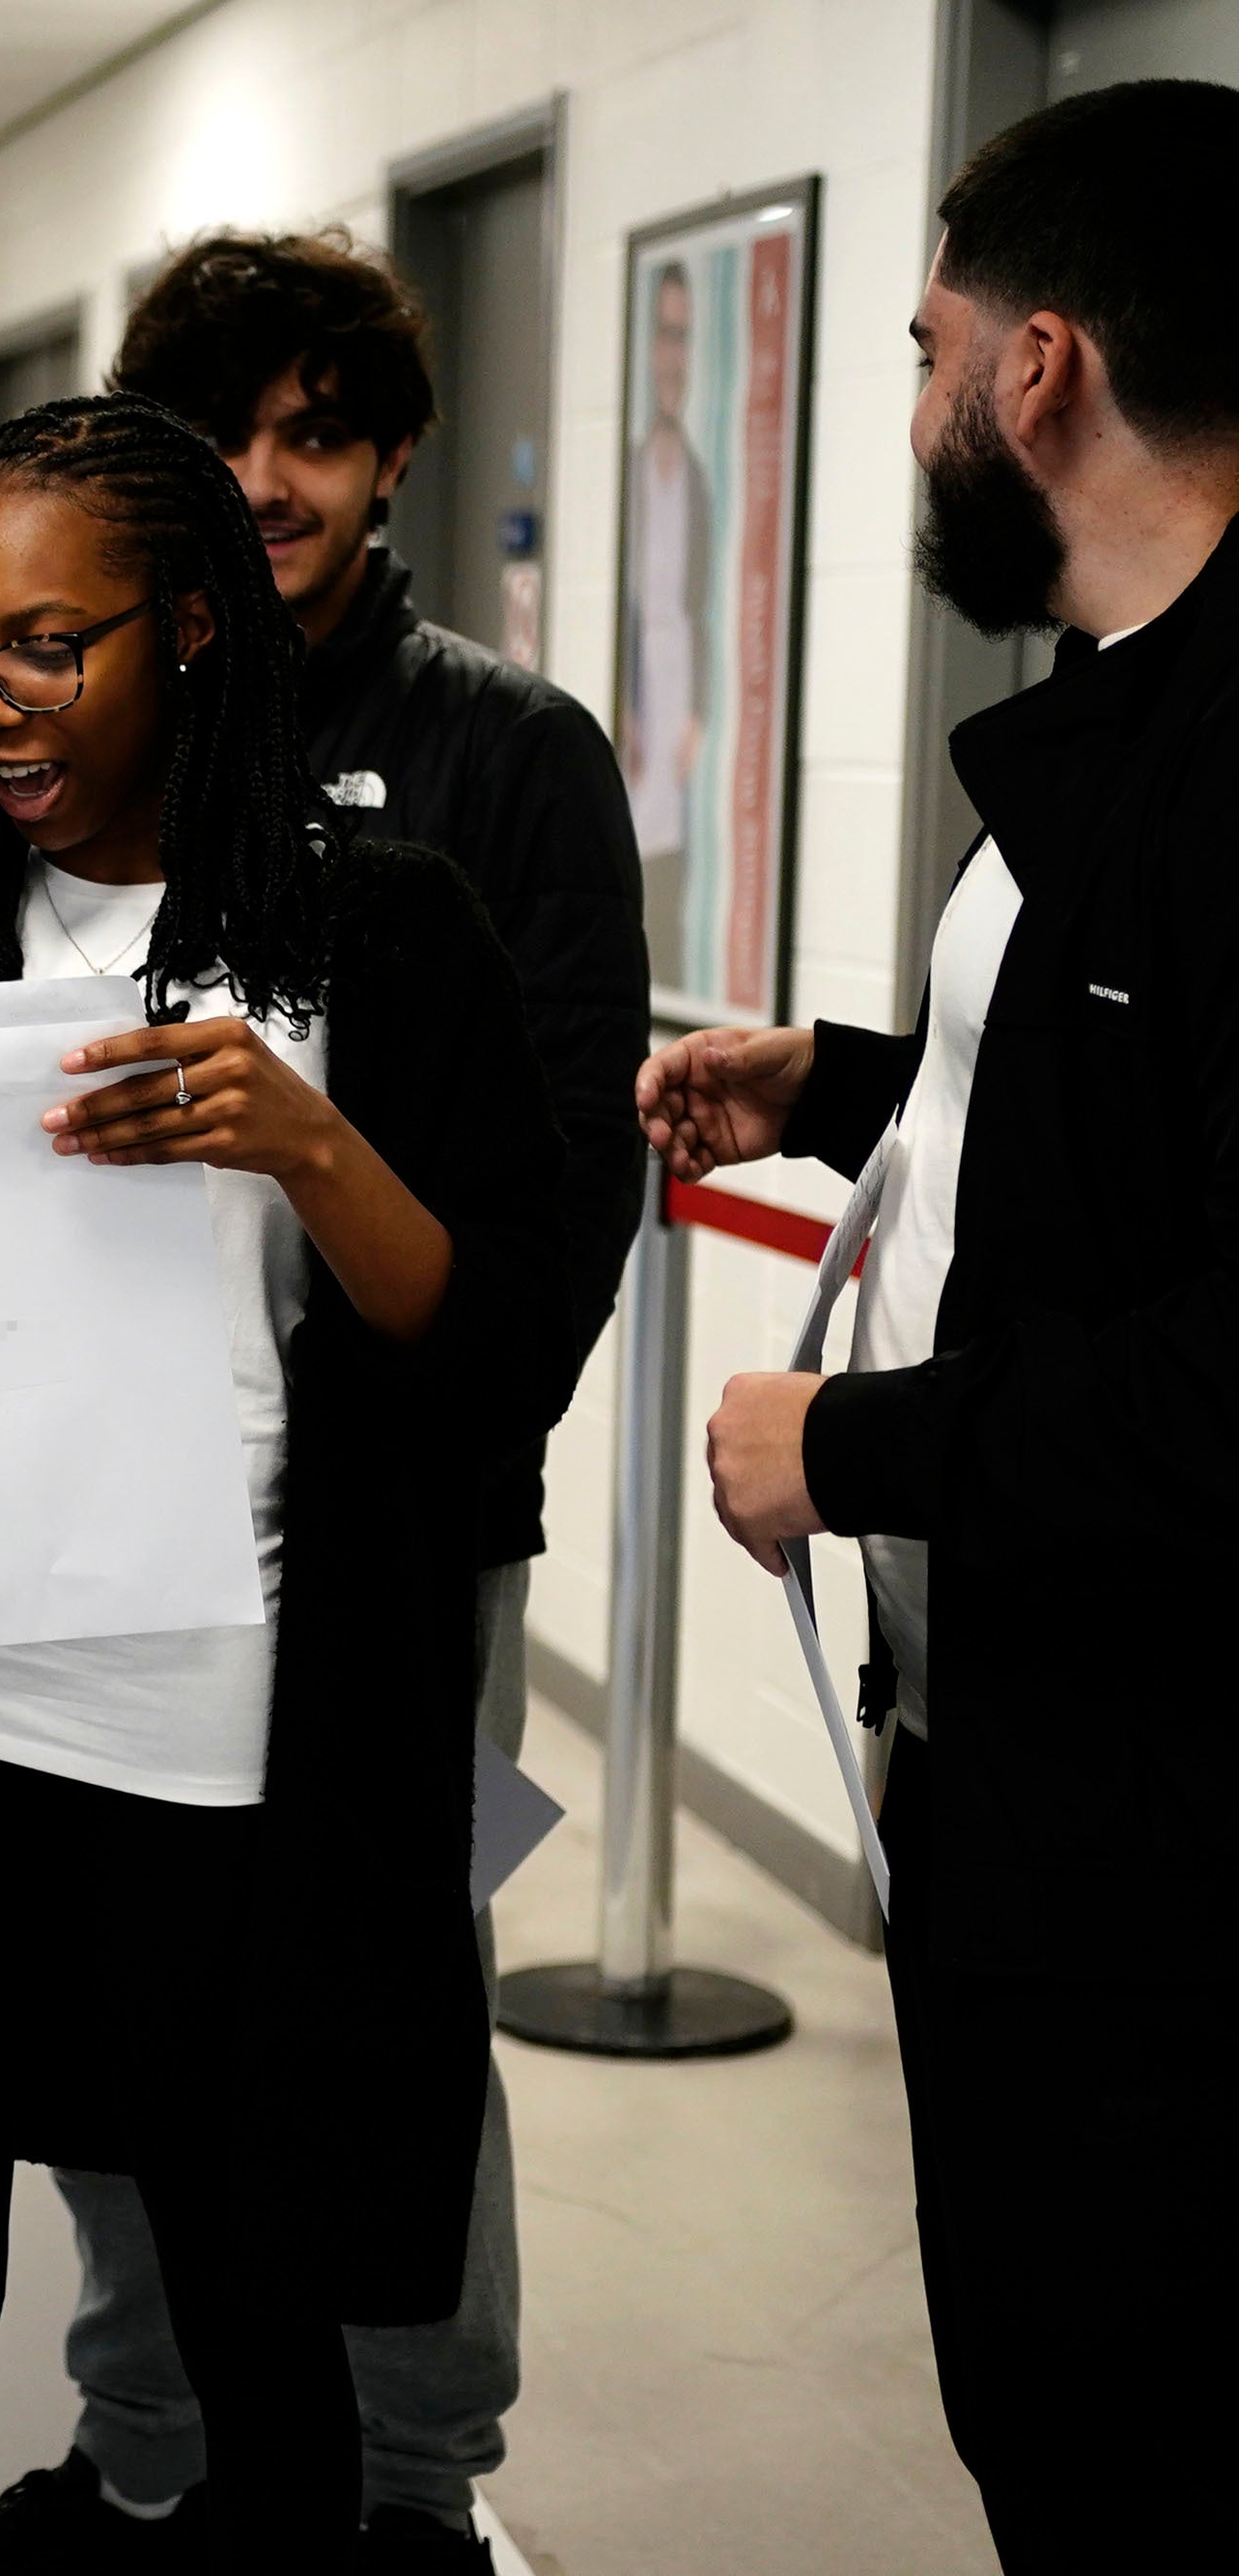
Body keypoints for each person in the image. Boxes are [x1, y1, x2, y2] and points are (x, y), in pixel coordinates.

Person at [0, 395, 569, 2573]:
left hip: (209, 1730)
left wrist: (297, 1137)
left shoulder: (379, 937)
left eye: (44, 645)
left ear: (191, 630)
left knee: (249, 2293)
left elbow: (490, 1339)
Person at [0, 231, 649, 2575]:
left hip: (391, 1518)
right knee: (114, 1974)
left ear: (389, 458)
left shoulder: (505, 757)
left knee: (383, 1987)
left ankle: (412, 2483)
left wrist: (436, 1415)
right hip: (96, 1514)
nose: (270, 481)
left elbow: (547, 1188)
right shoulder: (75, 742)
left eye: (316, 434)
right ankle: (150, 2438)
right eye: (221, 436)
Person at [638, 79, 1239, 2576]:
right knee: (1032, 2390)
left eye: (920, 352)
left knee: (1119, 2435)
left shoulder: (1227, 765)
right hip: (1025, 1790)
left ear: (1039, 373)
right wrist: (840, 1079)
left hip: (1166, 1854)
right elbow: (1119, 1130)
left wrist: (843, 1447)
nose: (910, 415)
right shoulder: (1115, 711)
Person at [620, 260, 714, 964]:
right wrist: (628, 698)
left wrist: (696, 712)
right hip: (638, 685)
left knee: (671, 860)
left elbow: (701, 605)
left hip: (677, 680)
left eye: (683, 336)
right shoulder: (630, 468)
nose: (672, 356)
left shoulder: (697, 480)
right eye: (663, 334)